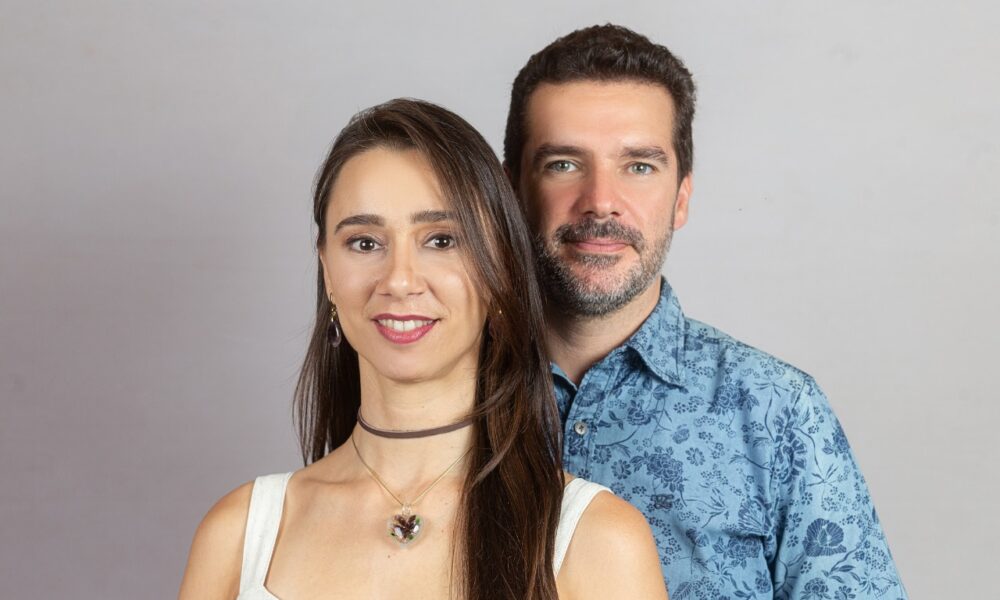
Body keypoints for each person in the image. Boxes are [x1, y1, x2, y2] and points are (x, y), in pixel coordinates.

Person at [178, 99, 667, 600]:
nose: (399, 280)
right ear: (327, 271)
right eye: (365, 243)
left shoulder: (598, 539)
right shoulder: (237, 534)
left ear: (498, 266)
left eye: (441, 240)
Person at [503, 25, 907, 599]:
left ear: (682, 198)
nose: (600, 201)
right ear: (509, 194)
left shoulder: (778, 411)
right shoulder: (437, 394)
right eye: (564, 164)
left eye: (639, 166)